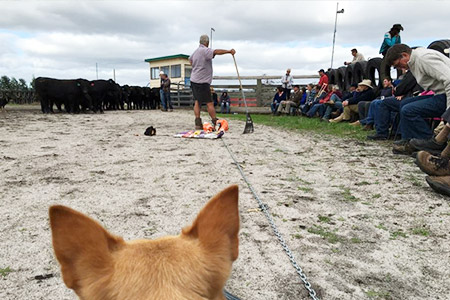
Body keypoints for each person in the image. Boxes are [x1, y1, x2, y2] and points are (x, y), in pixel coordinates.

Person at [381, 44, 449, 154]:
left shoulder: (424, 59)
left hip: (446, 95)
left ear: (404, 55)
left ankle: (431, 145)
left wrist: (448, 112)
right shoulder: (415, 62)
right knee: (404, 104)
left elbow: (449, 80)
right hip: (441, 94)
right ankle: (410, 142)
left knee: (409, 109)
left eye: (399, 65)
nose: (400, 68)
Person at [189, 34, 235, 129]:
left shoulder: (196, 52)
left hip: (193, 80)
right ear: (207, 42)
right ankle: (215, 121)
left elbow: (190, 60)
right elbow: (216, 51)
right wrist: (229, 51)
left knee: (197, 101)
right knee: (209, 102)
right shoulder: (205, 50)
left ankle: (198, 122)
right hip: (202, 81)